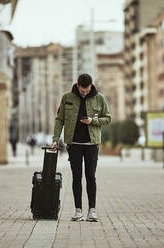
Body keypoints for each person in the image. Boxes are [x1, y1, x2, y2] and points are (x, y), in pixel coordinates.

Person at [50, 73, 111, 222]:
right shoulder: (67, 98)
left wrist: (93, 121)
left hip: (92, 144)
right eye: (82, 90)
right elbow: (59, 120)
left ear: (91, 86)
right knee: (76, 177)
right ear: (77, 85)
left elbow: (108, 118)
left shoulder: (99, 98)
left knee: (91, 176)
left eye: (87, 90)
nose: (85, 93)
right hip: (74, 144)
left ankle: (92, 211)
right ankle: (78, 211)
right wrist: (55, 139)